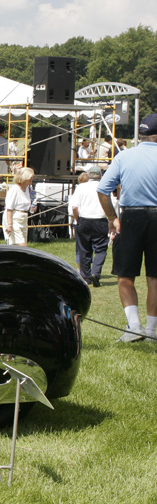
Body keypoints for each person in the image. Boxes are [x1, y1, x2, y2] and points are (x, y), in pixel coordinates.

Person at [97, 112, 157, 342]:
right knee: (155, 277)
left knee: (125, 274)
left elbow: (103, 190)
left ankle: (134, 327)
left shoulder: (124, 156)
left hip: (131, 216)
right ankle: (152, 331)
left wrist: (112, 217)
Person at [70, 165, 110, 287]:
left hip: (84, 219)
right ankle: (96, 273)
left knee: (84, 249)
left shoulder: (81, 187)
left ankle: (86, 277)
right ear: (101, 176)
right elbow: (110, 205)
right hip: (100, 219)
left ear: (88, 175)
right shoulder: (104, 187)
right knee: (101, 249)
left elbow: (74, 207)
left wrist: (78, 219)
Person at [3, 166, 35, 246]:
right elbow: (9, 208)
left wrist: (31, 209)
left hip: (23, 218)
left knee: (21, 243)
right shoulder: (14, 189)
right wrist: (9, 225)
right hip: (14, 218)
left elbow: (25, 204)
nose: (32, 179)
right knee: (22, 245)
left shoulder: (27, 189)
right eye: (31, 177)